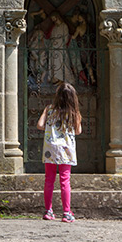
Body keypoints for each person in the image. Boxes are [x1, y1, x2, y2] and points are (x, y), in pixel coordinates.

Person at [36, 82, 82, 222]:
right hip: (66, 150)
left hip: (50, 148)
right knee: (65, 180)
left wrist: (51, 131)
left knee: (49, 179)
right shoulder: (74, 113)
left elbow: (39, 125)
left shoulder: (49, 109)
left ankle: (48, 211)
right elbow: (78, 131)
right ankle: (66, 213)